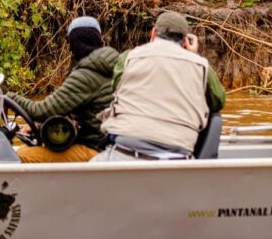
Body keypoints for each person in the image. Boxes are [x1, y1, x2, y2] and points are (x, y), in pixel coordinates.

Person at [92, 11, 226, 161]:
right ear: (185, 41)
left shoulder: (130, 57)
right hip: (179, 157)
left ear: (154, 32)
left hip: (125, 152)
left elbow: (117, 87)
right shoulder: (200, 65)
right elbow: (218, 100)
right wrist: (194, 56)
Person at [9, 16, 120, 162]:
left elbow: (40, 110)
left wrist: (9, 97)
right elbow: (70, 110)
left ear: (72, 44)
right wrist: (39, 126)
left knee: (20, 156)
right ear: (99, 40)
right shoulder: (116, 67)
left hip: (96, 150)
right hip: (113, 147)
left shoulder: (86, 75)